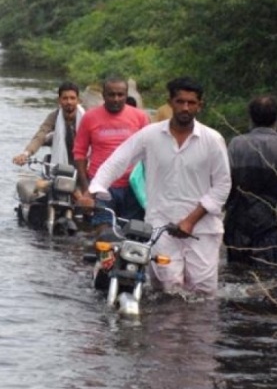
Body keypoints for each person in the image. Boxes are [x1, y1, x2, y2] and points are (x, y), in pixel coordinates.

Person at [84, 77, 231, 296]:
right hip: (161, 227)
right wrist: (92, 191)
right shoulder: (150, 135)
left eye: (191, 103)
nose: (185, 108)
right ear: (170, 102)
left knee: (202, 294)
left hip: (203, 230)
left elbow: (222, 185)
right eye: (180, 101)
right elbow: (117, 162)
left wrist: (190, 221)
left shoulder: (212, 140)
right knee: (167, 290)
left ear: (200, 105)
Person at [224, 95, 277, 268]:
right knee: (272, 274)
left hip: (240, 222)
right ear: (276, 119)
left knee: (237, 272)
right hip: (275, 223)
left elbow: (226, 184)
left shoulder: (236, 144)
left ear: (250, 119)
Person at [73, 76, 150, 226]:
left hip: (133, 187)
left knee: (134, 232)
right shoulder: (89, 118)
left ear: (127, 95)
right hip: (101, 186)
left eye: (120, 95)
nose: (116, 99)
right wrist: (86, 188)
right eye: (111, 94)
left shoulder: (140, 117)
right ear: (103, 95)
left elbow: (150, 152)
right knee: (103, 231)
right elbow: (80, 153)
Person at [12, 82, 85, 167]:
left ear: (78, 100)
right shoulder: (54, 116)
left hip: (83, 162)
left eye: (72, 98)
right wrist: (25, 154)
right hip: (61, 162)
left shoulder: (86, 116)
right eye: (65, 98)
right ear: (59, 100)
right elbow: (40, 135)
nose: (69, 102)